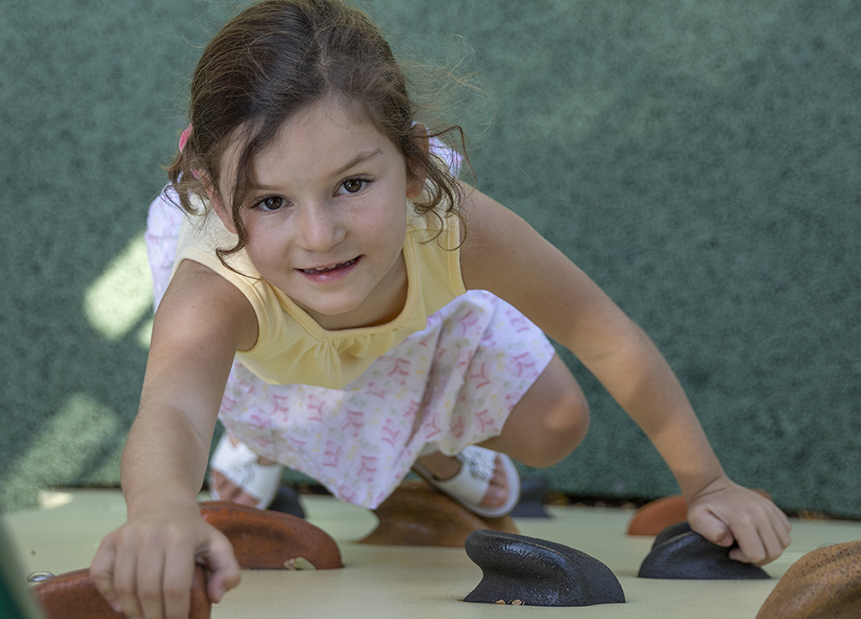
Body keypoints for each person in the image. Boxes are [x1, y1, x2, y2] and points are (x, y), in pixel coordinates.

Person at [91, 1, 792, 618]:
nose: (319, 234)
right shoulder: (218, 280)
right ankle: (259, 441)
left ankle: (426, 446)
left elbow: (603, 332)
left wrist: (710, 482)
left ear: (415, 164)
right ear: (217, 203)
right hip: (268, 373)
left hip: (409, 341)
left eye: (353, 183)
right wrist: (162, 509)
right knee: (254, 398)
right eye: (270, 200)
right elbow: (176, 408)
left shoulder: (448, 224)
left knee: (557, 424)